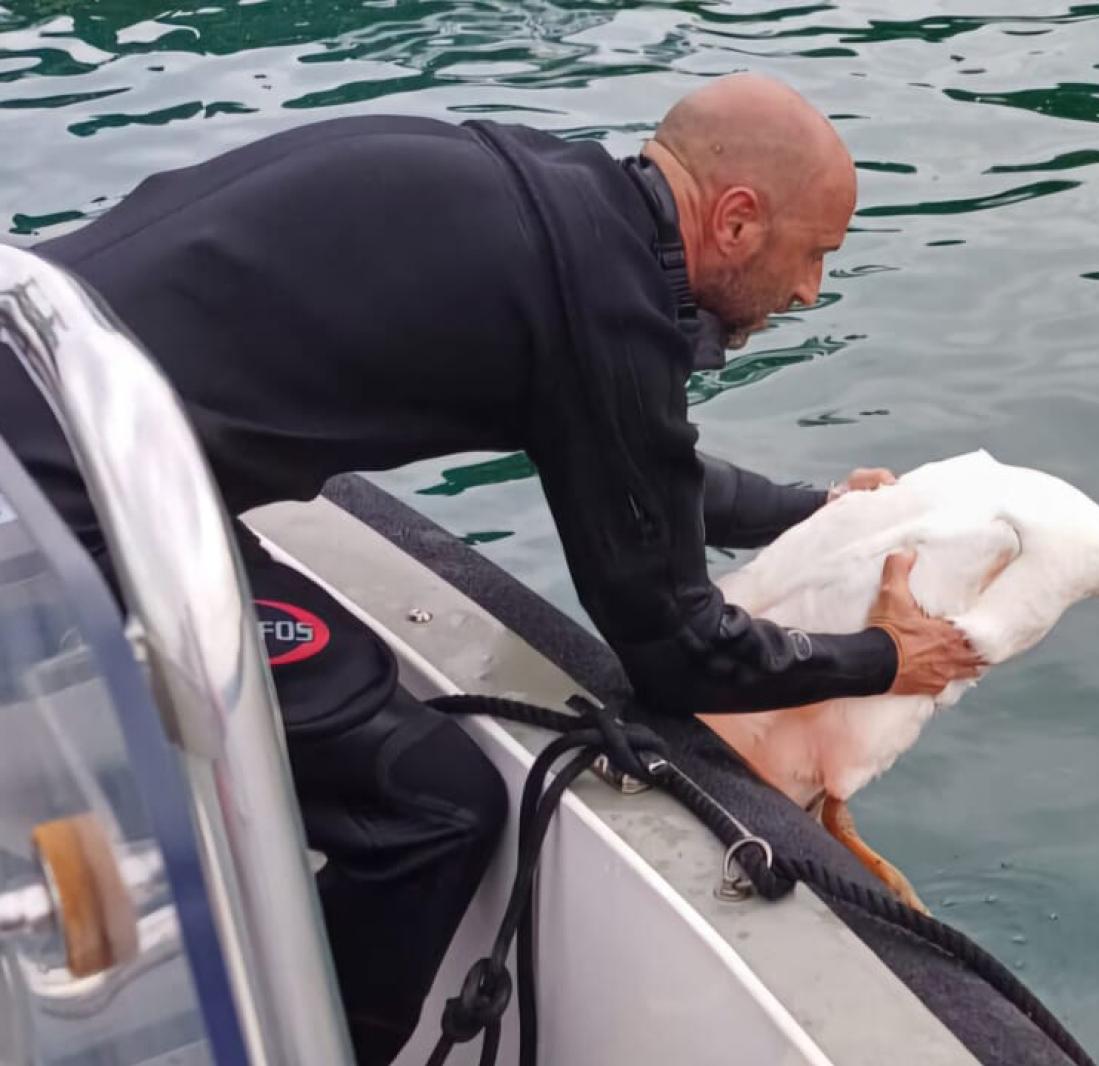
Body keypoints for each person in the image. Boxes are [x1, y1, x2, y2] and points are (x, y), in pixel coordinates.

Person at [0, 72, 983, 1062]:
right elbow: (679, 654)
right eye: (813, 254)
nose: (809, 290)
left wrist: (816, 509)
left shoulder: (554, 202)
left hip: (47, 408)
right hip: (68, 509)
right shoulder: (603, 305)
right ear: (735, 221)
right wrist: (884, 659)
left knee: (323, 694)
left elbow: (641, 464)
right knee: (429, 804)